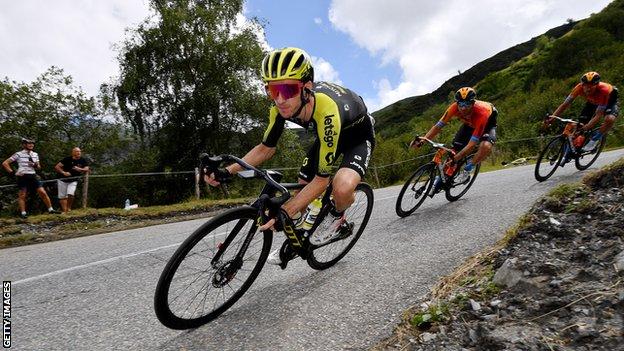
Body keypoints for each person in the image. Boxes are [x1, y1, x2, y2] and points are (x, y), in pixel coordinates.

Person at [204, 47, 375, 265]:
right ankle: (301, 238)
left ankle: (336, 219)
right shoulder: (279, 109)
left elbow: (322, 180)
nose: (280, 100)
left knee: (341, 187)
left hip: (356, 138)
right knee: (303, 185)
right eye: (272, 91)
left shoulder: (327, 110)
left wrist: (288, 210)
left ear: (307, 88)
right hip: (327, 137)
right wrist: (227, 171)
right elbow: (266, 149)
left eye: (287, 89)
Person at [412, 87, 497, 194]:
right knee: (453, 153)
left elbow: (471, 144)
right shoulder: (453, 108)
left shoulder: (482, 112)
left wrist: (457, 158)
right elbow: (438, 126)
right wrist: (423, 140)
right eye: (461, 104)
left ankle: (468, 169)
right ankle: (440, 182)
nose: (463, 108)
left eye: (467, 104)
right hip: (469, 125)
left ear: (473, 103)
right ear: (457, 103)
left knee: (485, 146)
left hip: (487, 125)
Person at [549, 71, 618, 164]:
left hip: (609, 101)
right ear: (582, 84)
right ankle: (568, 153)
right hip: (592, 102)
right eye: (585, 85)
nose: (588, 88)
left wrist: (589, 125)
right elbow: (565, 104)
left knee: (609, 119)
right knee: (578, 127)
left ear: (596, 85)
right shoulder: (578, 88)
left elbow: (599, 114)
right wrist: (553, 117)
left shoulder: (604, 90)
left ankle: (595, 139)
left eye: (591, 86)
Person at [1, 138, 59, 218]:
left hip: (32, 175)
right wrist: (13, 173)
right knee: (22, 195)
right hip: (23, 176)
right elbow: (5, 163)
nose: (31, 145)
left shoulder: (35, 154)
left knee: (43, 192)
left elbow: (39, 167)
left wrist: (35, 165)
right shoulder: (18, 154)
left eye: (32, 143)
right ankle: (23, 213)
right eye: (29, 143)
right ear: (24, 145)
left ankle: (51, 210)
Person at [54, 147, 90, 213]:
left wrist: (79, 169)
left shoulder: (83, 160)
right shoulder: (67, 159)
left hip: (73, 180)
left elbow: (87, 169)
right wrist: (64, 173)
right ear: (73, 153)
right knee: (62, 196)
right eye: (77, 151)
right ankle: (65, 211)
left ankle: (69, 208)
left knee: (71, 194)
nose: (79, 153)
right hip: (62, 180)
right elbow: (57, 167)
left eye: (79, 151)